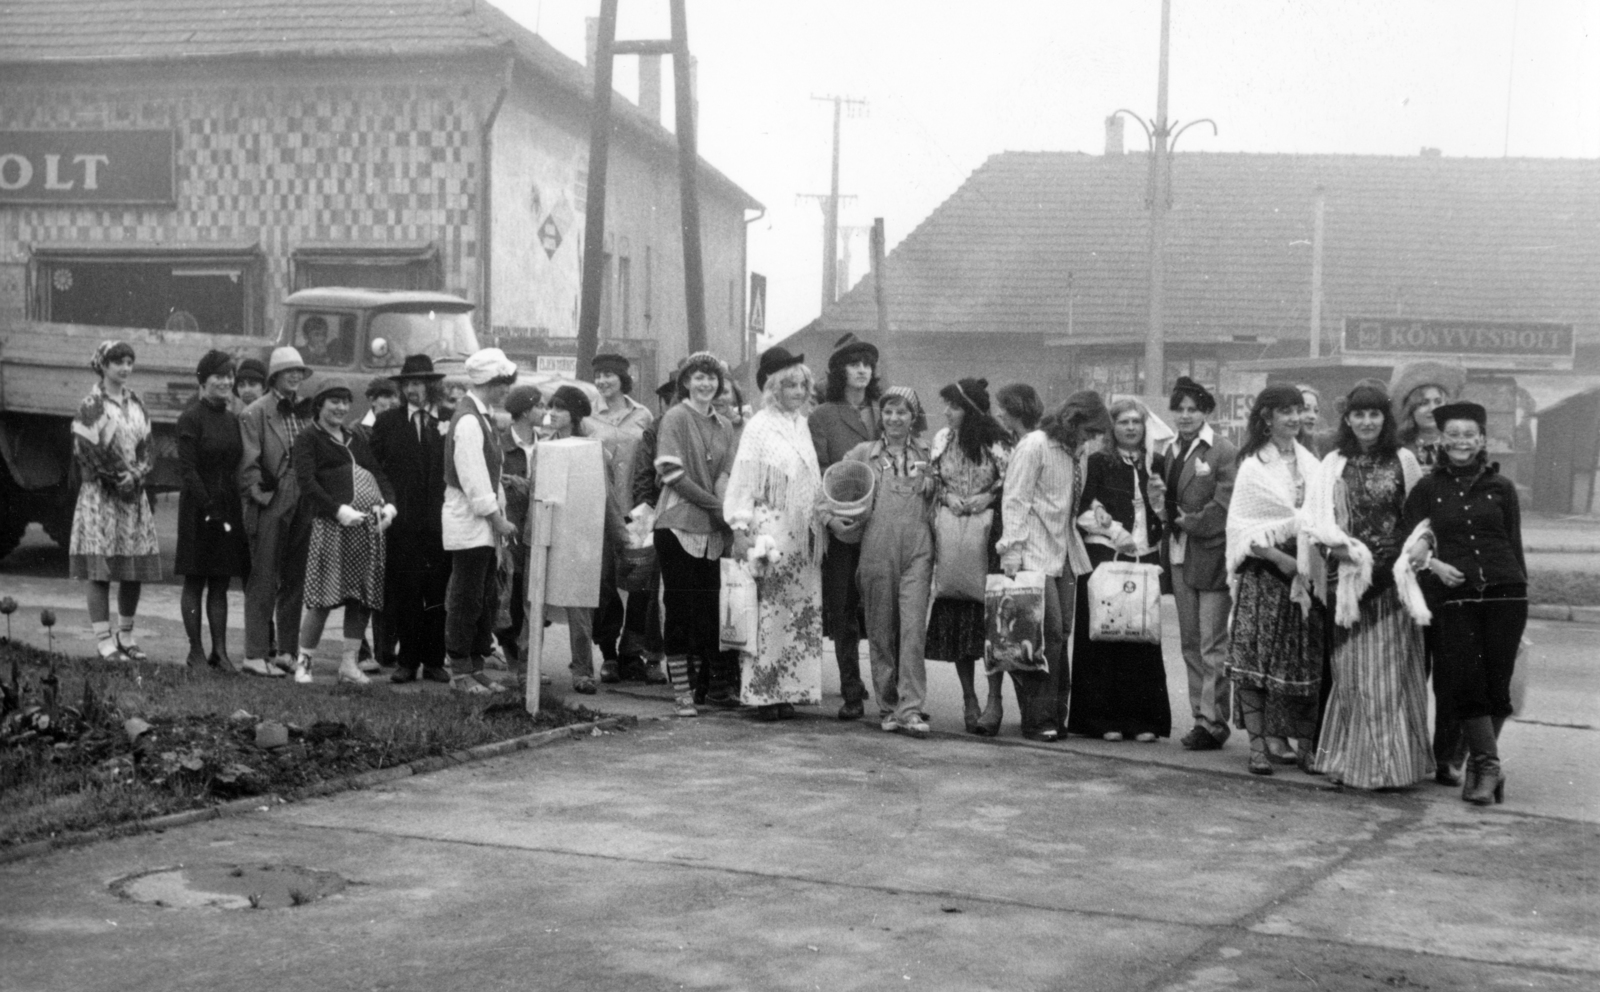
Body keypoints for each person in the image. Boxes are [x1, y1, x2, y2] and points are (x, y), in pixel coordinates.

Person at [1300, 384, 1431, 789]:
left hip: (1392, 583)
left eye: (1374, 414)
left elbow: (1421, 518)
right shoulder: (1333, 462)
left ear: (1385, 419)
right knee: (1350, 675)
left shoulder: (1404, 459)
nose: (1367, 422)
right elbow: (1314, 520)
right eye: (1359, 414)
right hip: (1347, 583)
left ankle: (1387, 769)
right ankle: (1349, 761)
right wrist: (1334, 549)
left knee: (1387, 678)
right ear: (1348, 419)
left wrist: (1411, 552)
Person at [1400, 401, 1526, 805]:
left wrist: (1521, 591)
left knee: (1498, 685)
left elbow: (1514, 543)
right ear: (1441, 439)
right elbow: (1406, 542)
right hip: (1455, 598)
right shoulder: (1428, 488)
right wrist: (1434, 565)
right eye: (1453, 435)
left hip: (1506, 594)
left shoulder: (1502, 487)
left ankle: (1479, 768)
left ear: (1482, 439)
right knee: (1467, 683)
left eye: (1469, 434)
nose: (1461, 442)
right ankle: (1488, 767)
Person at [997, 390, 1109, 742]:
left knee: (1060, 635)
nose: (1090, 440)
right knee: (1045, 635)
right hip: (1032, 552)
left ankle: (1056, 716)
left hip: (1064, 552)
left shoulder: (1079, 453)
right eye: (1088, 432)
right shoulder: (1035, 445)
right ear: (1072, 421)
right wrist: (1011, 554)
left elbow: (1071, 505)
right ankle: (1038, 718)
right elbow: (1015, 500)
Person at [1225, 383, 1325, 776]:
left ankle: (1307, 749)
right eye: (1286, 411)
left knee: (1305, 665)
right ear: (1267, 418)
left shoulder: (1312, 463)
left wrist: (1306, 561)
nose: (1295, 418)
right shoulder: (1253, 466)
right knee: (1255, 664)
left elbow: (1319, 517)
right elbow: (1242, 528)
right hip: (1266, 577)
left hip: (1306, 575)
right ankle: (1257, 748)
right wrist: (1280, 558)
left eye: (1299, 410)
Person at [725, 348, 827, 720]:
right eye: (790, 385)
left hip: (803, 534)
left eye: (802, 385)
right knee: (768, 611)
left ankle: (791, 690)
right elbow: (743, 480)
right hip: (770, 532)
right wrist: (740, 530)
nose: (798, 391)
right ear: (774, 388)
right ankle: (762, 693)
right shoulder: (759, 426)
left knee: (799, 612)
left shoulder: (801, 424)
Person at [1067, 398, 1172, 742]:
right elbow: (1081, 510)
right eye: (1123, 421)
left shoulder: (1155, 464)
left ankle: (1141, 720)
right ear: (1112, 427)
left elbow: (1165, 513)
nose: (1130, 427)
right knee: (1103, 637)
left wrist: (1159, 506)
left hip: (1144, 556)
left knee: (1141, 637)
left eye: (1136, 422)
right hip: (1106, 557)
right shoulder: (1098, 462)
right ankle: (1101, 719)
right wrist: (1114, 532)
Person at [1387, 359, 1470, 783]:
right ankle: (1411, 749)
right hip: (1411, 570)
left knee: (1452, 669)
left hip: (1452, 570)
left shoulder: (1460, 450)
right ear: (1410, 408)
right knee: (1412, 668)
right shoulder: (1398, 452)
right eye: (1423, 401)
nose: (1432, 408)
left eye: (1439, 400)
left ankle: (1447, 756)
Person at [290, 377, 397, 685]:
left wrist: (390, 506)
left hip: (365, 529)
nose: (340, 407)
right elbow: (306, 482)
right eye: (334, 401)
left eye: (345, 402)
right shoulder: (309, 438)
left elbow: (377, 473)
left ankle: (349, 664)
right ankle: (304, 664)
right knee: (323, 598)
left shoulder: (354, 437)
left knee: (360, 598)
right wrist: (337, 510)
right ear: (319, 405)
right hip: (332, 527)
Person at [924, 378, 1012, 736]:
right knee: (957, 610)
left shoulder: (998, 442)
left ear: (972, 410)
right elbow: (933, 478)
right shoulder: (942, 439)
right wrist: (947, 497)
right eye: (946, 405)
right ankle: (968, 697)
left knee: (990, 619)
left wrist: (988, 497)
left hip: (989, 537)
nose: (947, 412)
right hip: (953, 535)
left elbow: (1010, 481)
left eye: (955, 406)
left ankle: (994, 699)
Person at [846, 387, 935, 736]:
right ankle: (887, 705)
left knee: (913, 630)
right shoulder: (863, 454)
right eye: (888, 412)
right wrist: (836, 519)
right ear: (880, 416)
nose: (894, 418)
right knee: (881, 630)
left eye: (902, 412)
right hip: (876, 549)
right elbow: (832, 489)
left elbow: (944, 496)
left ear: (914, 417)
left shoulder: (929, 454)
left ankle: (911, 709)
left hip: (918, 550)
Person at [68, 340, 164, 662]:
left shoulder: (136, 404)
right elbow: (85, 451)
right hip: (101, 496)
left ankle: (126, 635)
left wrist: (136, 475)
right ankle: (103, 640)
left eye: (129, 362)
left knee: (131, 567)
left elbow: (148, 448)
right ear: (103, 365)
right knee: (100, 569)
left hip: (131, 495)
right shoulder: (92, 404)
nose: (125, 368)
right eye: (118, 362)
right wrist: (116, 478)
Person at [653, 352, 737, 717]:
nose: (706, 383)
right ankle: (682, 693)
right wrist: (718, 507)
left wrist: (725, 509)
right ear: (686, 382)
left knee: (709, 611)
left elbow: (724, 475)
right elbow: (672, 474)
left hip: (712, 529)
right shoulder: (675, 417)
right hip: (677, 523)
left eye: (712, 378)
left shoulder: (725, 425)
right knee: (679, 609)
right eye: (698, 377)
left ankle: (706, 689)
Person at [1158, 377, 1238, 752]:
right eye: (1180, 409)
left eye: (1193, 409)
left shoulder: (1222, 450)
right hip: (1178, 552)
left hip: (1211, 553)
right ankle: (1199, 718)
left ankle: (1214, 722)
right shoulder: (1170, 448)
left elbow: (1224, 505)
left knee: (1212, 643)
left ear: (1206, 412)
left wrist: (1187, 521)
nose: (1186, 416)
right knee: (1190, 642)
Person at [808, 333, 881, 719]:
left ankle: (890, 688)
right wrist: (832, 518)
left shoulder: (887, 410)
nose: (862, 370)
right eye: (854, 364)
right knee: (843, 608)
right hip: (842, 522)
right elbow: (817, 470)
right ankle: (851, 688)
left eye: (867, 364)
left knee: (882, 609)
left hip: (883, 521)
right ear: (839, 372)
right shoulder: (823, 415)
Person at [368, 354, 452, 683]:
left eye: (417, 383)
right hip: (403, 523)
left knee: (437, 593)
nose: (411, 390)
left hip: (441, 522)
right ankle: (407, 661)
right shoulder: (388, 422)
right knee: (406, 592)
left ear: (431, 385)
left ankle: (434, 661)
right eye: (406, 384)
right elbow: (375, 467)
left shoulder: (449, 418)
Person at [441, 348, 520, 695]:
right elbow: (473, 480)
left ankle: (476, 666)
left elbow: (491, 474)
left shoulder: (482, 417)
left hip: (483, 526)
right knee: (466, 599)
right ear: (487, 381)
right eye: (502, 382)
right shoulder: (469, 421)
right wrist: (498, 520)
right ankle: (460, 669)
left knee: (483, 599)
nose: (506, 389)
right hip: (469, 523)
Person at [546, 384, 628, 695]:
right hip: (551, 533)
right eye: (550, 407)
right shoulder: (543, 447)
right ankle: (526, 670)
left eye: (560, 408)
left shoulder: (595, 450)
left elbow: (609, 498)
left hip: (585, 538)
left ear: (575, 415)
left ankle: (583, 670)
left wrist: (621, 537)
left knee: (581, 604)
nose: (552, 414)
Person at [175, 350, 252, 673]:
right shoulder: (190, 418)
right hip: (199, 508)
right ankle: (195, 651)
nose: (226, 381)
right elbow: (188, 470)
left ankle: (219, 652)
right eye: (219, 376)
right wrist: (208, 505)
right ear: (203, 380)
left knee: (220, 582)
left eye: (229, 376)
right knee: (195, 580)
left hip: (226, 507)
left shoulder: (233, 419)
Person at [239, 347, 313, 674]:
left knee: (296, 577)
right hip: (274, 495)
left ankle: (286, 652)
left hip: (305, 495)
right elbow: (247, 467)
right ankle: (255, 654)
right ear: (274, 376)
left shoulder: (306, 410)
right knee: (264, 576)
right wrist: (264, 498)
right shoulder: (255, 412)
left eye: (299, 371)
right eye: (289, 371)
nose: (295, 376)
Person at [586, 353, 655, 684]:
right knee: (604, 584)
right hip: (600, 512)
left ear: (622, 378)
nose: (602, 381)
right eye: (598, 375)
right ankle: (608, 653)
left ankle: (632, 651)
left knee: (640, 583)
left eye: (609, 375)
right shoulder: (587, 418)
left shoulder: (643, 415)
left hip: (636, 510)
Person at [496, 384, 544, 682]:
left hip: (538, 530)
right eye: (540, 406)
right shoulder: (500, 445)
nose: (545, 411)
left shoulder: (546, 445)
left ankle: (529, 663)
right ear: (526, 411)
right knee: (509, 597)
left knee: (535, 597)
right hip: (509, 531)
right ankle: (514, 660)